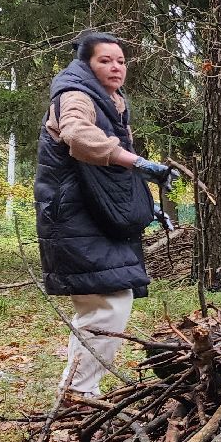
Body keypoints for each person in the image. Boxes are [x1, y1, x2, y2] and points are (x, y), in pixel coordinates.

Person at [36, 31, 172, 396]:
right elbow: (77, 135)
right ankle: (79, 392)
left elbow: (107, 176)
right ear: (86, 64)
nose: (116, 67)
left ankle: (78, 390)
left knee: (103, 306)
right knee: (107, 305)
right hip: (73, 218)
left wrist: (146, 206)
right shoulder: (75, 96)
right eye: (105, 60)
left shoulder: (111, 102)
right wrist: (136, 161)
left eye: (121, 61)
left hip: (97, 217)